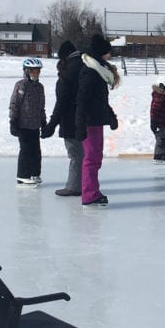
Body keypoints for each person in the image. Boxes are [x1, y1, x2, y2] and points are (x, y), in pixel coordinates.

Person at [75, 34, 121, 207]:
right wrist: (80, 125)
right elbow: (82, 100)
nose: (110, 55)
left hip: (96, 120)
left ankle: (92, 191)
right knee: (92, 158)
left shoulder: (99, 71)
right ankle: (89, 194)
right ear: (102, 52)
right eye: (108, 52)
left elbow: (100, 100)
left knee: (95, 157)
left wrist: (111, 116)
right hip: (89, 122)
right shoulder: (91, 73)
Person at [42, 41, 84, 196]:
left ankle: (74, 187)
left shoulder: (69, 72)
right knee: (83, 154)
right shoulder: (85, 65)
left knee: (75, 154)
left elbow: (62, 102)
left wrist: (52, 125)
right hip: (86, 119)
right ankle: (85, 184)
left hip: (71, 120)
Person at [9, 57, 47, 186]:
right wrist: (13, 121)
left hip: (35, 125)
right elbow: (14, 103)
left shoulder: (40, 87)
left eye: (37, 71)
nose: (35, 74)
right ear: (26, 71)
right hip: (23, 125)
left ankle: (34, 173)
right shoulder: (21, 85)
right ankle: (22, 175)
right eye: (33, 71)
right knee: (25, 150)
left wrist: (44, 123)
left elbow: (41, 107)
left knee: (36, 151)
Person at [150, 75, 165, 163]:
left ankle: (162, 154)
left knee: (164, 140)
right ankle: (158, 156)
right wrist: (153, 121)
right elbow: (154, 109)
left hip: (164, 122)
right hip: (158, 123)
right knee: (161, 140)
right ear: (162, 87)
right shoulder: (159, 97)